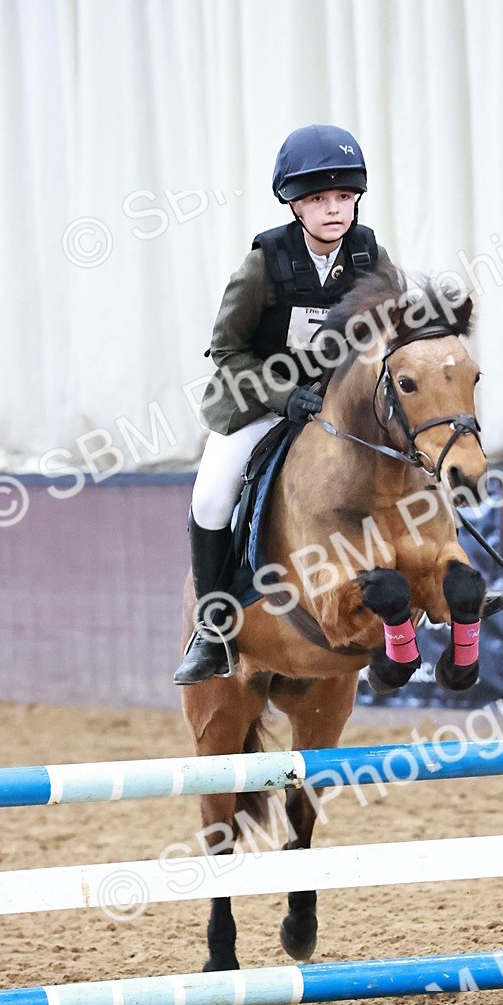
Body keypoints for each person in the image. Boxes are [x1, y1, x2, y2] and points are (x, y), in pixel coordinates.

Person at [174, 124, 396, 685]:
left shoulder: (370, 254)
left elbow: (398, 331)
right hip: (258, 404)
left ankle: (440, 588)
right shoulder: (263, 263)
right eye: (318, 199)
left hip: (338, 410)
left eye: (343, 197)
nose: (333, 210)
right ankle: (213, 625)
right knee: (211, 495)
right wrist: (282, 394)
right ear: (294, 205)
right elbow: (226, 349)